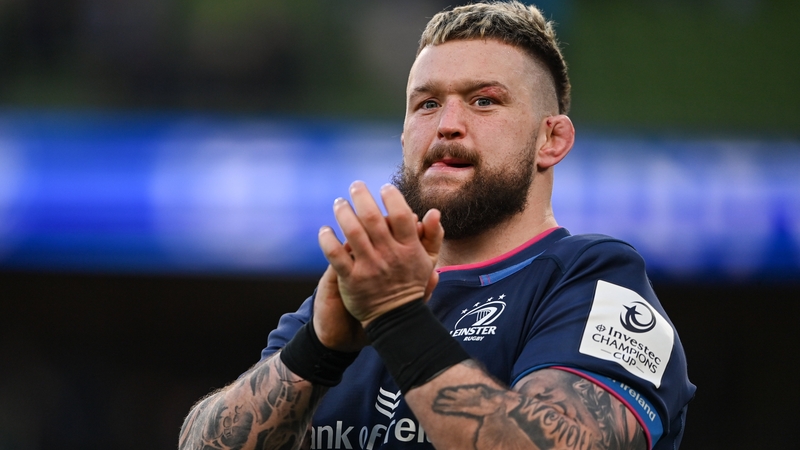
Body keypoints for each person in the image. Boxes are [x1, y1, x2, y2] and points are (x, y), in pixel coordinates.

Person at [178, 2, 695, 449]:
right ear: (404, 135)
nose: (447, 123)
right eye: (427, 104)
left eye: (484, 101)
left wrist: (398, 322)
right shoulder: (357, 294)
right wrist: (316, 349)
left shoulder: (595, 283)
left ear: (552, 139)